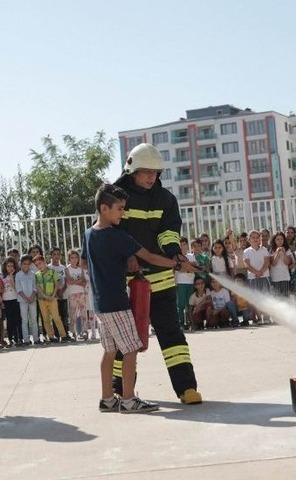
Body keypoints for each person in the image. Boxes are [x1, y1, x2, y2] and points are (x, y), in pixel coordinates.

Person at [85, 183, 198, 413]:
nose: (123, 214)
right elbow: (149, 256)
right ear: (104, 208)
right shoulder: (117, 236)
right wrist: (177, 264)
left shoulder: (89, 234)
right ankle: (128, 400)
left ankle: (107, 399)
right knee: (131, 349)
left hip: (100, 304)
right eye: (120, 209)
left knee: (109, 351)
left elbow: (90, 264)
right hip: (117, 303)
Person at [113, 143, 202, 404]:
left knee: (171, 333)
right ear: (132, 170)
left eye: (155, 172)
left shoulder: (166, 200)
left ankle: (186, 388)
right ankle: (120, 389)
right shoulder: (117, 198)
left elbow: (168, 231)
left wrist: (174, 251)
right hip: (127, 282)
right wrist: (126, 256)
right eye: (145, 172)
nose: (151, 177)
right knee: (125, 338)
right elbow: (112, 231)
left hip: (161, 279)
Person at [35, 255, 72, 343]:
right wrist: (44, 296)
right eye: (37, 265)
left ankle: (63, 335)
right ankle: (51, 337)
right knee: (45, 319)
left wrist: (53, 295)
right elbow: (38, 287)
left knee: (56, 317)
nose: (39, 266)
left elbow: (57, 284)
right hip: (42, 299)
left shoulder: (52, 272)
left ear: (44, 262)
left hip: (53, 298)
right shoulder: (37, 275)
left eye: (40, 263)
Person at [16, 255, 40, 346]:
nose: (26, 266)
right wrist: (26, 298)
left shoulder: (33, 274)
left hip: (32, 300)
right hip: (23, 301)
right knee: (24, 320)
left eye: (28, 264)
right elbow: (18, 289)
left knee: (34, 319)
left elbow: (35, 287)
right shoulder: (18, 275)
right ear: (21, 264)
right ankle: (26, 340)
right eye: (24, 264)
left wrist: (32, 297)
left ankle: (36, 338)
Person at [64, 250, 88, 341]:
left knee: (83, 314)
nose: (74, 259)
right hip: (72, 294)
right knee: (73, 314)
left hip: (81, 293)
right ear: (69, 259)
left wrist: (76, 282)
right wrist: (79, 282)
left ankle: (85, 331)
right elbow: (69, 281)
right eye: (72, 257)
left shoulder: (80, 269)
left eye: (76, 257)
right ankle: (73, 332)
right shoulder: (67, 269)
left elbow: (84, 282)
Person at [174, 237, 196, 328]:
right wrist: (187, 268)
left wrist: (185, 268)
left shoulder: (191, 256)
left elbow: (193, 267)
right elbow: (177, 268)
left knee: (189, 303)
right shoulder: (176, 257)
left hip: (190, 283)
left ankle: (189, 322)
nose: (182, 246)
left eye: (184, 244)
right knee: (181, 304)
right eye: (180, 245)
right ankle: (181, 322)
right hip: (180, 282)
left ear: (187, 245)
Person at [1, 257, 22, 347]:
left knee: (17, 320)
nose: (10, 268)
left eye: (12, 266)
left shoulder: (16, 276)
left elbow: (17, 289)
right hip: (6, 301)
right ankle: (10, 339)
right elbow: (1, 290)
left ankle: (18, 339)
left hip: (15, 300)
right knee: (9, 321)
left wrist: (11, 278)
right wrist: (1, 301)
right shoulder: (1, 277)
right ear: (5, 267)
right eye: (8, 266)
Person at [49, 247, 70, 338]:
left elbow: (66, 281)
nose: (56, 256)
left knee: (64, 316)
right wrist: (56, 292)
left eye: (58, 254)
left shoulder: (63, 267)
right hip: (54, 296)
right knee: (55, 316)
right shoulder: (49, 267)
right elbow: (49, 282)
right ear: (51, 256)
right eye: (54, 254)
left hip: (63, 295)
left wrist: (62, 291)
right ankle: (57, 334)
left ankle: (66, 333)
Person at [269, 232, 292, 297]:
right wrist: (277, 252)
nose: (280, 241)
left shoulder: (287, 250)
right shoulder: (271, 250)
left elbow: (287, 262)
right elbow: (273, 263)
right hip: (275, 277)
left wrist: (284, 253)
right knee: (277, 298)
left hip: (285, 277)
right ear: (274, 240)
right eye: (278, 239)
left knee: (285, 297)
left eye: (281, 239)